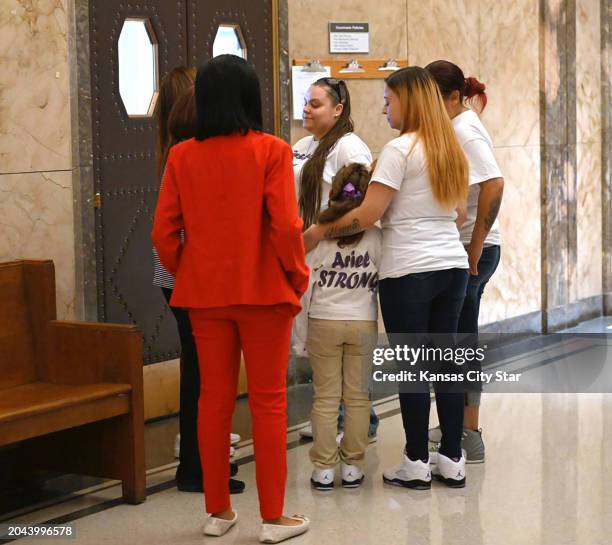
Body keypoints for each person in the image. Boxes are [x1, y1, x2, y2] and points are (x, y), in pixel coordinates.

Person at [152, 55, 310, 543]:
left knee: (212, 399)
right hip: (264, 293)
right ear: (251, 97)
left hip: (204, 296)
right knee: (268, 402)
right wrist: (297, 274)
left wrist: (191, 272)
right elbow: (286, 226)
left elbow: (163, 233)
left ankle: (218, 512)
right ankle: (274, 518)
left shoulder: (182, 156)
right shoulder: (272, 150)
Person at [304, 66, 470, 489]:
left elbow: (367, 214)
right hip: (451, 266)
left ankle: (415, 462)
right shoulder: (449, 148)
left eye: (388, 99)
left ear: (407, 101)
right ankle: (452, 457)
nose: (383, 107)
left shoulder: (401, 150)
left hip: (409, 272)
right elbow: (460, 213)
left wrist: (319, 231)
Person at [152, 67, 244, 494]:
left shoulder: (173, 147)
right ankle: (198, 467)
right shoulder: (191, 152)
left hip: (175, 276)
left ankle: (200, 460)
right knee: (206, 376)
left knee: (199, 372)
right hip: (191, 277)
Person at [425, 60, 504, 464]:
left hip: (474, 252)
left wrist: (474, 247)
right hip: (464, 249)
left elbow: (494, 184)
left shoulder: (465, 129)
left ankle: (469, 433)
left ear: (453, 98)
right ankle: (459, 423)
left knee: (459, 344)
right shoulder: (455, 126)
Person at [292, 77, 379, 441]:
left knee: (342, 344)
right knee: (319, 342)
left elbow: (357, 206)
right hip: (308, 255)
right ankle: (331, 418)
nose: (306, 109)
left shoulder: (349, 147)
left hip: (337, 257)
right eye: (306, 103)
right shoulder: (301, 145)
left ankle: (359, 420)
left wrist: (318, 232)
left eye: (315, 104)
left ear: (338, 109)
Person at [295, 164, 381, 491]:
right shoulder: (376, 235)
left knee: (326, 397)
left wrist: (301, 337)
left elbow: (305, 290)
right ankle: (353, 466)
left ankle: (324, 469)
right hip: (362, 322)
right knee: (358, 397)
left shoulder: (320, 234)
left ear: (333, 193)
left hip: (323, 322)